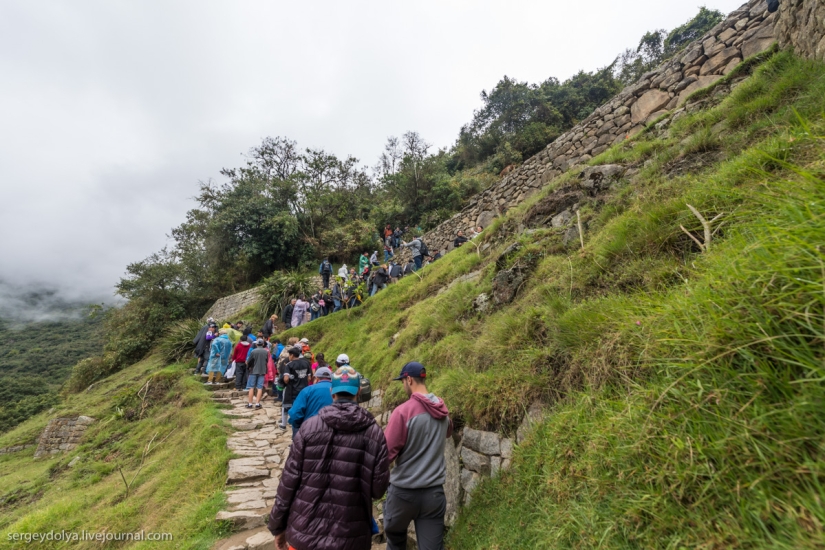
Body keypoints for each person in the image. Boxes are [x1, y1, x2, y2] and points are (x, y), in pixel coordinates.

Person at [267, 365, 390, 550]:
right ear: (358, 393)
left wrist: (277, 526)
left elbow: (288, 482)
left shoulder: (309, 427)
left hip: (304, 533)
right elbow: (378, 490)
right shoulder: (374, 433)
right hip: (351, 536)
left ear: (332, 392)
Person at [383, 362, 453, 550]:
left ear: (409, 379)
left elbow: (385, 454)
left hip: (403, 494)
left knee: (396, 540)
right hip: (434, 495)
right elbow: (448, 432)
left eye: (403, 382)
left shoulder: (403, 412)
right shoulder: (442, 411)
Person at [287, 366, 333, 435]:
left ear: (316, 378)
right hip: (333, 431)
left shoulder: (307, 390)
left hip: (310, 430)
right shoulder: (337, 391)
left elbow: (295, 414)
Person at [278, 347, 311, 429]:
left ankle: (284, 424)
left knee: (286, 406)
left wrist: (286, 382)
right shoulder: (306, 363)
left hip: (291, 390)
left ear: (292, 355)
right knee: (302, 406)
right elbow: (309, 378)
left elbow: (286, 378)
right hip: (304, 389)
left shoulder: (289, 365)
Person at [245, 340, 270, 409]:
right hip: (262, 371)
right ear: (263, 344)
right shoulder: (266, 351)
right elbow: (266, 361)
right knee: (260, 388)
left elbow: (249, 361)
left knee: (251, 387)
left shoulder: (253, 351)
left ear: (256, 344)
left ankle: (250, 404)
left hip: (253, 371)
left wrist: (248, 367)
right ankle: (257, 404)